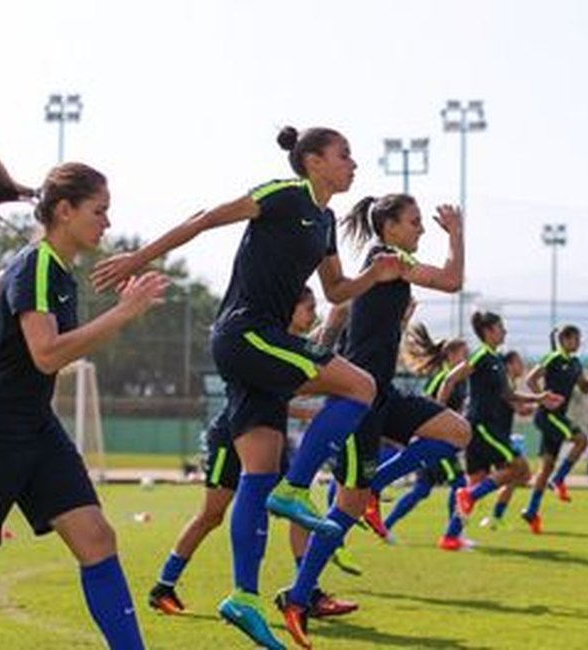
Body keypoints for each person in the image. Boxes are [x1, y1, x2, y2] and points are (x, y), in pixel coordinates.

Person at [92, 126, 401, 649]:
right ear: (311, 161)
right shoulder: (282, 195)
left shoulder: (324, 220)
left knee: (257, 474)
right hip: (247, 334)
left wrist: (379, 274)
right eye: (344, 155)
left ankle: (245, 597)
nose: (354, 164)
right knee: (362, 386)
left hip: (262, 345)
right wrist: (138, 258)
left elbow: (335, 290)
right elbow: (204, 219)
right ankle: (296, 489)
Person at [274, 193, 471, 647]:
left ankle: (377, 486)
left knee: (457, 432)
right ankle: (299, 596)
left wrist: (328, 344)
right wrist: (456, 234)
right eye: (415, 222)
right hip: (358, 398)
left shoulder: (381, 264)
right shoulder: (387, 258)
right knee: (345, 506)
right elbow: (452, 280)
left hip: (383, 392)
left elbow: (341, 309)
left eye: (424, 223)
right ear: (390, 227)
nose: (422, 229)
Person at [0, 162, 170, 648]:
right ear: (66, 211)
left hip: (34, 426)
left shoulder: (56, 271)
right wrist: (123, 313)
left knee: (96, 539)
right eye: (100, 211)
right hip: (2, 428)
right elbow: (46, 353)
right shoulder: (35, 264)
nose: (107, 223)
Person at [148, 288, 358, 620]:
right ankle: (164, 586)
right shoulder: (259, 346)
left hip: (265, 432)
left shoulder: (287, 346)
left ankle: (308, 593)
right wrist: (318, 412)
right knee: (211, 515)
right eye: (308, 308)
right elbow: (282, 394)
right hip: (231, 436)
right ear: (286, 310)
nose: (312, 314)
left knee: (298, 506)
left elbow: (318, 350)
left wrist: (339, 311)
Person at [445, 313, 562, 524]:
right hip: (482, 426)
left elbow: (508, 395)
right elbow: (450, 379)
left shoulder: (496, 360)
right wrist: (442, 412)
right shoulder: (481, 356)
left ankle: (451, 536)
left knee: (478, 481)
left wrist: (539, 398)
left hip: (486, 428)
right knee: (520, 469)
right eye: (501, 327)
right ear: (488, 332)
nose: (505, 331)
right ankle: (470, 498)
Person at [382, 323, 471, 549]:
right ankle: (453, 535)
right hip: (438, 440)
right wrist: (443, 422)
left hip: (439, 439)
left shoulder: (456, 380)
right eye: (463, 353)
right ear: (450, 355)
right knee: (459, 483)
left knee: (421, 490)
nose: (467, 358)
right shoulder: (443, 379)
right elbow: (429, 408)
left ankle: (386, 525)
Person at [521, 325, 588, 528]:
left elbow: (585, 389)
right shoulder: (553, 358)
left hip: (558, 418)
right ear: (565, 340)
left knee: (546, 467)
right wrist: (543, 399)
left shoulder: (576, 363)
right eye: (576, 339)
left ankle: (532, 511)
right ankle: (559, 479)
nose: (579, 343)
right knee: (582, 440)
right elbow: (530, 379)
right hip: (548, 416)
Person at [479, 350, 534, 531]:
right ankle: (473, 497)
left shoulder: (507, 382)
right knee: (522, 472)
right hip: (495, 437)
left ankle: (495, 515)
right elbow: (520, 409)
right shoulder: (505, 383)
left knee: (518, 475)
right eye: (519, 361)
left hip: (501, 437)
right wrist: (542, 402)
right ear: (509, 365)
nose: (522, 366)